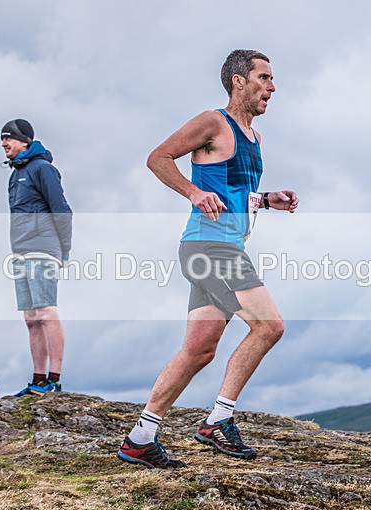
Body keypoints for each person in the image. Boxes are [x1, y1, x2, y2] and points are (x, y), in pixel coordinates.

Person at [118, 50, 299, 468]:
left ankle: (140, 437)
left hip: (218, 248)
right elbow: (157, 158)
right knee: (269, 326)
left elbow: (237, 193)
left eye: (272, 80)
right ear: (239, 81)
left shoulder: (253, 138)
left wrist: (267, 199)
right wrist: (192, 192)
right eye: (264, 78)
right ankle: (219, 420)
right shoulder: (212, 122)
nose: (272, 87)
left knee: (198, 351)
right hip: (210, 247)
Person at [1, 118, 73, 396]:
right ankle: (38, 379)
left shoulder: (42, 169)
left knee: (45, 311)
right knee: (31, 317)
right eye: (2, 140)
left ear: (25, 142)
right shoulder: (15, 173)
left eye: (8, 138)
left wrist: (63, 250)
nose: (4, 144)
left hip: (42, 248)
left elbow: (62, 210)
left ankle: (54, 380)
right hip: (20, 251)